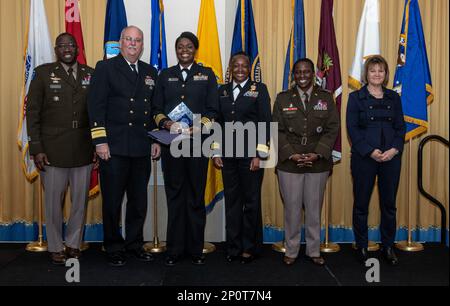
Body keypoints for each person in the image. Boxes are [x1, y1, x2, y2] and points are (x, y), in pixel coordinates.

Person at [87, 26, 160, 267]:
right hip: (114, 147)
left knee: (139, 202)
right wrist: (100, 141)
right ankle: (114, 245)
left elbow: (153, 110)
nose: (132, 44)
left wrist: (155, 139)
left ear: (142, 45)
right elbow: (96, 107)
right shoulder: (105, 68)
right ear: (120, 42)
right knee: (113, 201)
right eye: (128, 39)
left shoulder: (150, 71)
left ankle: (135, 245)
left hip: (140, 146)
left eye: (137, 40)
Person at [26, 33, 95, 265]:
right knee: (54, 203)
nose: (67, 49)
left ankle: (73, 244)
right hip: (52, 150)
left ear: (77, 49)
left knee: (79, 201)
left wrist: (96, 144)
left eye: (71, 45)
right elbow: (32, 112)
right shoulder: (43, 73)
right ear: (57, 49)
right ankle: (55, 246)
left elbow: (96, 114)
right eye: (62, 45)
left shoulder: (89, 74)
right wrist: (36, 148)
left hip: (83, 147)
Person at [152, 31, 219, 266]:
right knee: (175, 196)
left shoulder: (207, 75)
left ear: (195, 49)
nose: (184, 50)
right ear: (176, 49)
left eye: (189, 46)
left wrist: (199, 127)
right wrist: (167, 123)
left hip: (198, 146)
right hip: (172, 147)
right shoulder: (165, 75)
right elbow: (156, 109)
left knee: (195, 197)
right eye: (180, 46)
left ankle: (195, 248)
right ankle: (175, 249)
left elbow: (213, 110)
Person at [272, 58, 340, 266]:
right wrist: (291, 154)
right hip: (289, 163)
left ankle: (313, 250)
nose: (302, 75)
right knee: (291, 208)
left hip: (317, 163)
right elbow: (276, 129)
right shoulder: (283, 99)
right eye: (298, 72)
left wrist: (318, 153)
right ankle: (291, 250)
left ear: (313, 74)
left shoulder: (326, 98)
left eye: (307, 72)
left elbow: (332, 128)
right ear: (293, 75)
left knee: (313, 208)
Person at [212, 52, 271, 264]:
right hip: (228, 157)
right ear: (230, 68)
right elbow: (217, 123)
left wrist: (260, 154)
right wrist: (216, 151)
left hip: (250, 157)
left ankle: (250, 247)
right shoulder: (222, 91)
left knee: (251, 202)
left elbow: (265, 122)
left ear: (249, 68)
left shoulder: (259, 90)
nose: (239, 69)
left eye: (244, 65)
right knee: (232, 202)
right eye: (235, 65)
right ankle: (233, 247)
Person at [346, 55, 405, 266]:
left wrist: (394, 149)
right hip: (364, 158)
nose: (377, 74)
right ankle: (361, 246)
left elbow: (400, 127)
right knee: (361, 204)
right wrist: (370, 151)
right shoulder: (355, 98)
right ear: (366, 74)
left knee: (389, 204)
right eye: (373, 70)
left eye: (381, 71)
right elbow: (352, 129)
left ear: (386, 74)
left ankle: (387, 246)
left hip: (391, 158)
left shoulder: (394, 98)